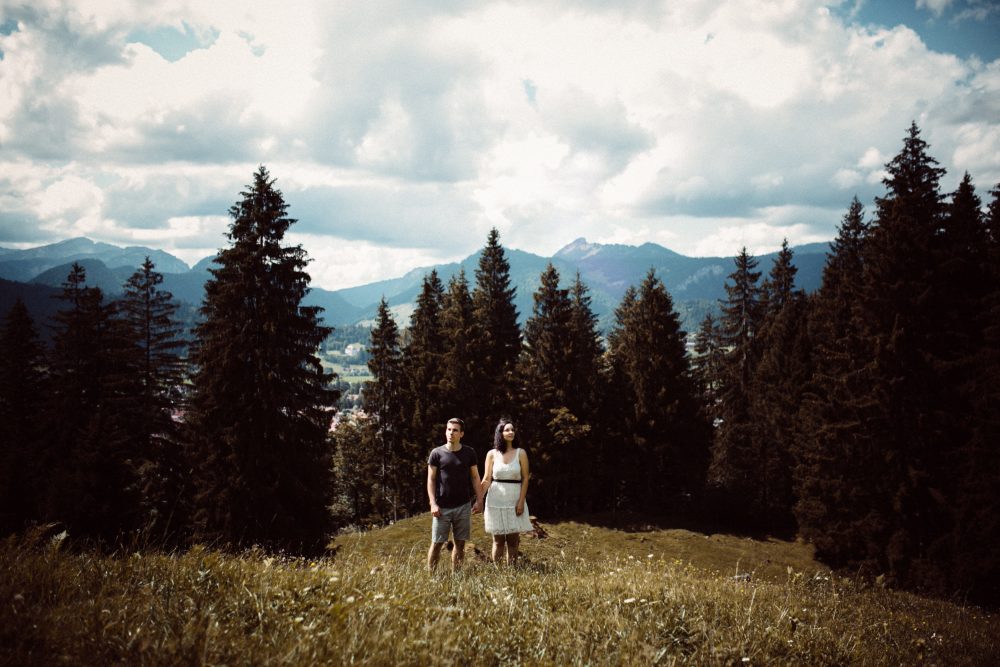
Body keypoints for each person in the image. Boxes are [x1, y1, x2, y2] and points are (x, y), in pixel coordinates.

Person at [427, 418, 484, 572]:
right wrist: (432, 503)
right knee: (437, 543)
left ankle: (456, 578)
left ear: (462, 434)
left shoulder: (469, 453)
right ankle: (431, 577)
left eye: (455, 430)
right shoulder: (436, 453)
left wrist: (479, 500)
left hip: (463, 506)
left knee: (460, 544)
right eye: (449, 429)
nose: (451, 433)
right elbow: (431, 479)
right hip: (441, 508)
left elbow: (475, 477)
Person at [481, 418, 532, 564]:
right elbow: (486, 479)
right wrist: (478, 499)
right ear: (500, 433)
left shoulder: (520, 453)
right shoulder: (491, 454)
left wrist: (521, 502)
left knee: (513, 540)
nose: (511, 432)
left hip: (514, 500)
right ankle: (498, 573)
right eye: (507, 430)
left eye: (512, 429)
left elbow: (526, 479)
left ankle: (512, 573)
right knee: (498, 541)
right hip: (495, 500)